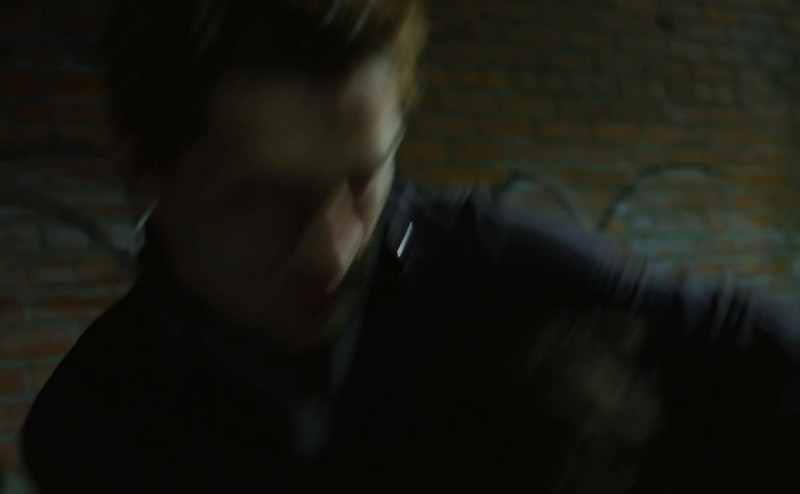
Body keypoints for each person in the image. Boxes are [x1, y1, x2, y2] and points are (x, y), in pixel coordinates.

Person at [20, 1, 800, 492]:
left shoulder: (480, 260)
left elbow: (749, 349)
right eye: (268, 195)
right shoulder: (86, 429)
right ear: (144, 166)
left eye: (364, 179)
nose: (333, 255)